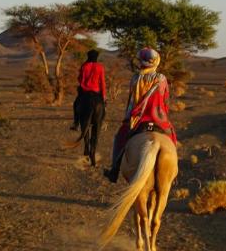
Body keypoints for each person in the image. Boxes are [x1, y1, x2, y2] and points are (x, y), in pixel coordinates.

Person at [103, 47, 177, 183]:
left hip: (139, 118)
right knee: (172, 136)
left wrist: (128, 118)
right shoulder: (162, 78)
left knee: (119, 138)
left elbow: (132, 101)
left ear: (141, 61)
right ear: (156, 61)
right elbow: (165, 101)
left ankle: (114, 170)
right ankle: (174, 173)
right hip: (159, 119)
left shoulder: (136, 78)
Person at [71, 49, 106, 129]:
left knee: (76, 103)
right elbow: (102, 82)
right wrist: (103, 95)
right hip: (96, 91)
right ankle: (102, 122)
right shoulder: (100, 67)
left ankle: (76, 123)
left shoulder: (84, 66)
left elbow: (80, 79)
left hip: (85, 91)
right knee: (104, 106)